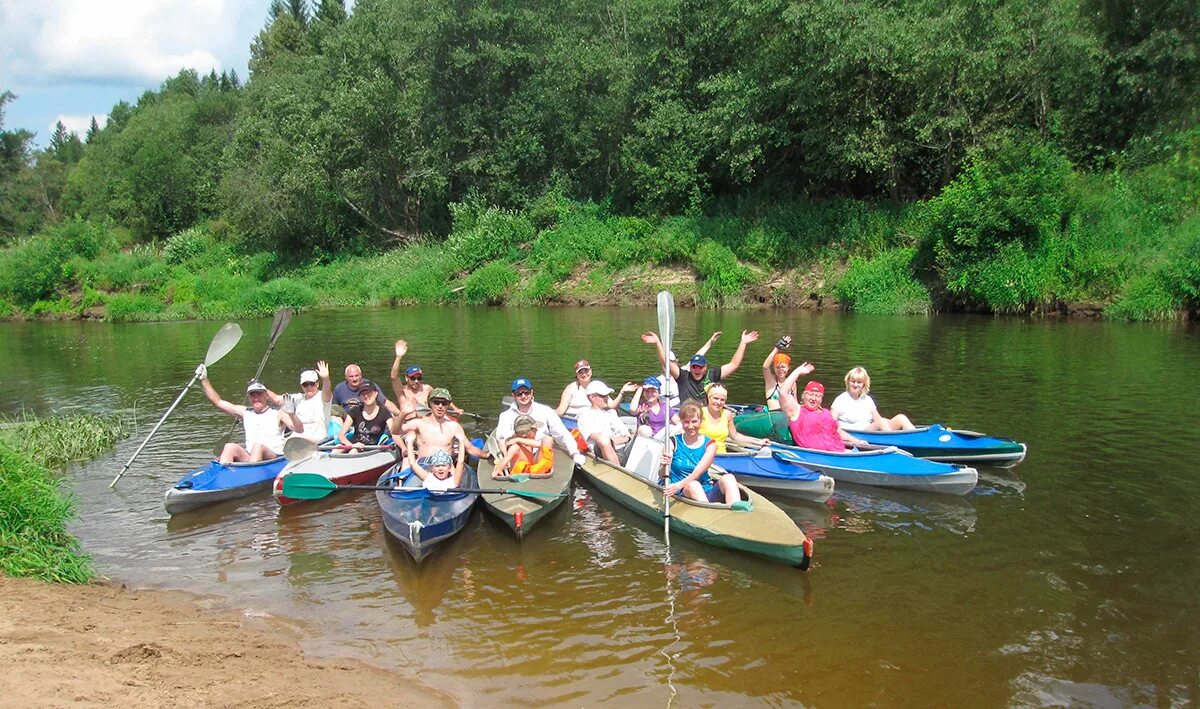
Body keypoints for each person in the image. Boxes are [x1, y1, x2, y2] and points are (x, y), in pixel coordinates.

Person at [197, 367, 304, 465]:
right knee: (229, 447)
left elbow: (299, 429)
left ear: (266, 395)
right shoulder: (245, 412)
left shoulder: (279, 413)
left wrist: (292, 414)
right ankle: (223, 476)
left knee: (258, 447)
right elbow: (218, 402)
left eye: (259, 394)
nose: (256, 398)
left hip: (273, 458)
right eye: (253, 395)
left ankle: (251, 475)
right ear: (249, 397)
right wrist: (204, 379)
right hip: (251, 456)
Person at [642, 329, 759, 404]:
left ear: (705, 367)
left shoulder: (712, 375)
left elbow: (733, 365)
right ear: (690, 367)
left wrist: (743, 343)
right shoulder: (683, 376)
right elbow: (666, 363)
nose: (697, 370)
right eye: (694, 367)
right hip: (688, 417)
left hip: (706, 415)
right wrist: (658, 343)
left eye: (700, 367)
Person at [659, 400, 740, 505]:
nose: (690, 426)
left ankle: (736, 510)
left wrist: (677, 486)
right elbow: (662, 475)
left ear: (701, 421)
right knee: (693, 485)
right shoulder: (672, 442)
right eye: (686, 422)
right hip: (682, 490)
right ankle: (709, 512)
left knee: (729, 478)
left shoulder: (710, 444)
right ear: (682, 422)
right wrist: (663, 465)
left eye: (694, 421)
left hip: (704, 489)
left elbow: (697, 473)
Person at [496, 377, 586, 467]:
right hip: (518, 456)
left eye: (526, 392)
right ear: (513, 395)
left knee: (548, 440)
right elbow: (502, 439)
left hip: (540, 453)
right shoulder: (505, 416)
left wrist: (574, 453)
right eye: (519, 393)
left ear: (531, 392)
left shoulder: (546, 410)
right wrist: (505, 457)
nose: (523, 396)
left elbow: (562, 434)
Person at [777, 371, 869, 451]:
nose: (813, 398)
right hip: (822, 456)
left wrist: (858, 442)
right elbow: (783, 392)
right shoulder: (797, 411)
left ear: (821, 399)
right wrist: (798, 372)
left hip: (840, 452)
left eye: (817, 396)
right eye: (810, 394)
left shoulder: (827, 413)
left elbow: (838, 431)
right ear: (803, 396)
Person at [402, 387, 468, 481]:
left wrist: (486, 455)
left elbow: (468, 451)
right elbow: (395, 431)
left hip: (446, 468)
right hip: (424, 467)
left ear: (448, 405)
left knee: (456, 485)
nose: (440, 406)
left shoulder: (454, 426)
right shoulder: (419, 423)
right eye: (436, 402)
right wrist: (403, 414)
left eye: (444, 403)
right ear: (430, 404)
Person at [831, 367, 916, 432]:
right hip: (858, 433)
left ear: (864, 384)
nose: (855, 385)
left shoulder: (867, 399)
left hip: (870, 430)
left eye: (859, 382)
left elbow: (878, 419)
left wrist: (890, 422)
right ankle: (894, 442)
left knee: (901, 418)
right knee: (882, 422)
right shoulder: (840, 400)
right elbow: (831, 423)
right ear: (848, 382)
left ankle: (916, 438)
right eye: (852, 381)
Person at [269, 361, 333, 442]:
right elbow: (276, 399)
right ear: (301, 386)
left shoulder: (323, 397)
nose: (309, 387)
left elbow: (327, 390)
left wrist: (326, 379)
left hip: (316, 439)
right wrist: (259, 387)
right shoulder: (298, 398)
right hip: (296, 437)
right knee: (282, 411)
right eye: (305, 385)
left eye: (312, 384)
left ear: (317, 384)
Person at [576, 381, 633, 465]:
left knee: (644, 431)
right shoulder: (585, 417)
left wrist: (627, 438)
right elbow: (603, 441)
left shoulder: (611, 413)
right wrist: (625, 439)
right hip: (605, 453)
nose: (607, 398)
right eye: (603, 396)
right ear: (592, 397)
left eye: (607, 395)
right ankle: (618, 472)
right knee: (604, 439)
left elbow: (627, 434)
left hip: (624, 448)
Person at [700, 384, 769, 453]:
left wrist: (758, 442)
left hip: (721, 455)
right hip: (701, 454)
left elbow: (735, 436)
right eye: (715, 398)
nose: (718, 402)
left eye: (722, 400)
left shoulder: (727, 414)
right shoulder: (700, 413)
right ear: (709, 398)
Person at [761, 335, 814, 411]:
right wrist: (777, 348)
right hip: (775, 415)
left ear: (788, 367)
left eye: (783, 367)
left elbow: (795, 403)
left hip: (789, 415)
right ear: (774, 368)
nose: (780, 370)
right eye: (777, 367)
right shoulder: (771, 381)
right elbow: (765, 367)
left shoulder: (792, 383)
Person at [493, 414, 555, 478]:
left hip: (531, 470)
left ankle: (544, 469)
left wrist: (518, 439)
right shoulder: (515, 447)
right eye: (535, 429)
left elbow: (540, 444)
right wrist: (499, 469)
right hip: (520, 474)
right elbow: (506, 458)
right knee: (548, 439)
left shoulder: (526, 442)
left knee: (547, 439)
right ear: (529, 432)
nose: (537, 430)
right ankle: (545, 469)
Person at [337, 381, 394, 449]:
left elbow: (394, 433)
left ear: (376, 393)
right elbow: (341, 435)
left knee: (353, 452)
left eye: (369, 393)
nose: (366, 396)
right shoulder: (355, 411)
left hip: (372, 448)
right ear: (360, 397)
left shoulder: (385, 412)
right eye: (363, 394)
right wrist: (351, 445)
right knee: (338, 450)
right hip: (355, 445)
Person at [333, 363, 401, 416]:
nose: (354, 379)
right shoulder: (339, 388)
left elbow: (385, 402)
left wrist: (399, 414)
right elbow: (334, 407)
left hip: (366, 417)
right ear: (346, 377)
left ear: (361, 375)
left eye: (357, 376)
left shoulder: (370, 386)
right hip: (346, 418)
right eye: (351, 376)